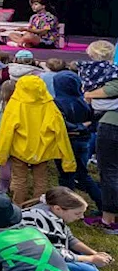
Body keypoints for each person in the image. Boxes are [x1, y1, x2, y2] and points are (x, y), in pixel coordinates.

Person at [0, 74, 74, 205]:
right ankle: (38, 206)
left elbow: (6, 132)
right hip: (43, 149)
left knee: (19, 179)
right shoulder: (50, 105)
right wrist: (68, 160)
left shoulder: (14, 105)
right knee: (41, 180)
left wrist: (1, 156)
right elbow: (61, 133)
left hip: (19, 150)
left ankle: (17, 207)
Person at [21, 187, 112, 271]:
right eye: (77, 213)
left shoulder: (50, 211)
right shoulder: (46, 222)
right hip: (32, 264)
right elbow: (56, 255)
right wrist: (91, 259)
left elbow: (70, 239)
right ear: (58, 208)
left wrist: (94, 253)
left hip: (46, 255)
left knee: (85, 262)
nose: (81, 217)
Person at [52, 73, 103, 206]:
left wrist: (77, 127)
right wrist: (85, 127)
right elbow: (94, 120)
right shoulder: (83, 101)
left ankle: (67, 204)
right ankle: (100, 202)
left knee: (67, 175)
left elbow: (60, 123)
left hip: (67, 141)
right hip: (83, 141)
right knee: (81, 174)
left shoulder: (57, 103)